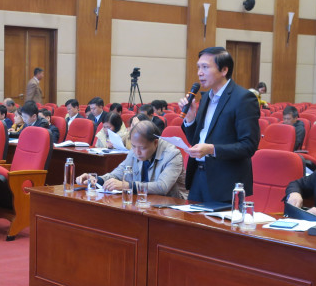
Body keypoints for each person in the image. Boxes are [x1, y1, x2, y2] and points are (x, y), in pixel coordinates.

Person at [178, 46, 260, 203]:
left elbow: (249, 146)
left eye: (205, 67)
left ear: (224, 70)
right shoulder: (205, 98)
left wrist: (212, 149)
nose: (199, 73)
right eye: (198, 67)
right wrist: (190, 119)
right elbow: (196, 141)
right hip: (198, 177)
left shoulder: (243, 98)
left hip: (225, 183)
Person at [76, 121, 185, 198]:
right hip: (143, 201)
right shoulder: (135, 150)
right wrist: (96, 180)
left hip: (171, 205)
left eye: (142, 148)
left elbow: (162, 187)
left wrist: (127, 185)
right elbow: (118, 174)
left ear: (155, 143)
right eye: (133, 146)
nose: (137, 152)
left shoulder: (172, 155)